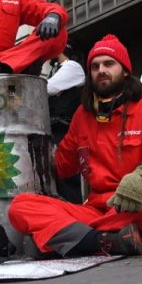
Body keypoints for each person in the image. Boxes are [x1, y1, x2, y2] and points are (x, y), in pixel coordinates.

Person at [8, 35, 142, 257]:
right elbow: (62, 166)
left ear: (125, 71)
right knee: (21, 206)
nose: (101, 70)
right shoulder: (82, 117)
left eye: (109, 64)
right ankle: (104, 240)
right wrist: (32, 138)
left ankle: (74, 239)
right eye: (95, 66)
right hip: (98, 211)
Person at [47, 42, 85, 203]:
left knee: (67, 178)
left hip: (66, 130)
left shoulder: (73, 67)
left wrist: (16, 84)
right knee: (56, 179)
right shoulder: (54, 71)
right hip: (53, 131)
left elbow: (46, 89)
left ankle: (75, 212)